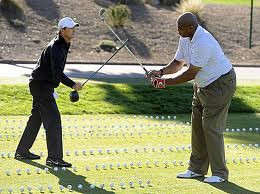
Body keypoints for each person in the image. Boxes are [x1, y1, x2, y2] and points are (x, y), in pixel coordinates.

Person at [147, 12, 236, 183]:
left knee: (211, 127)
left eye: (180, 28)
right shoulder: (185, 37)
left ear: (191, 27)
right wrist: (160, 72)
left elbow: (190, 73)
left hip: (220, 84)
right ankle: (196, 169)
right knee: (197, 127)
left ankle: (220, 173)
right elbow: (177, 63)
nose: (178, 31)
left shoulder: (203, 42)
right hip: (202, 85)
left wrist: (164, 83)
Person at [14, 17, 83, 167]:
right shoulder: (57, 47)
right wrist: (73, 85)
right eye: (71, 28)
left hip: (42, 85)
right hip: (41, 86)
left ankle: (22, 151)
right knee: (53, 121)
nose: (74, 30)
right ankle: (54, 158)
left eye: (74, 27)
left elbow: (55, 74)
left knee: (36, 119)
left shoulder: (63, 44)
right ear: (62, 30)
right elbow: (57, 73)